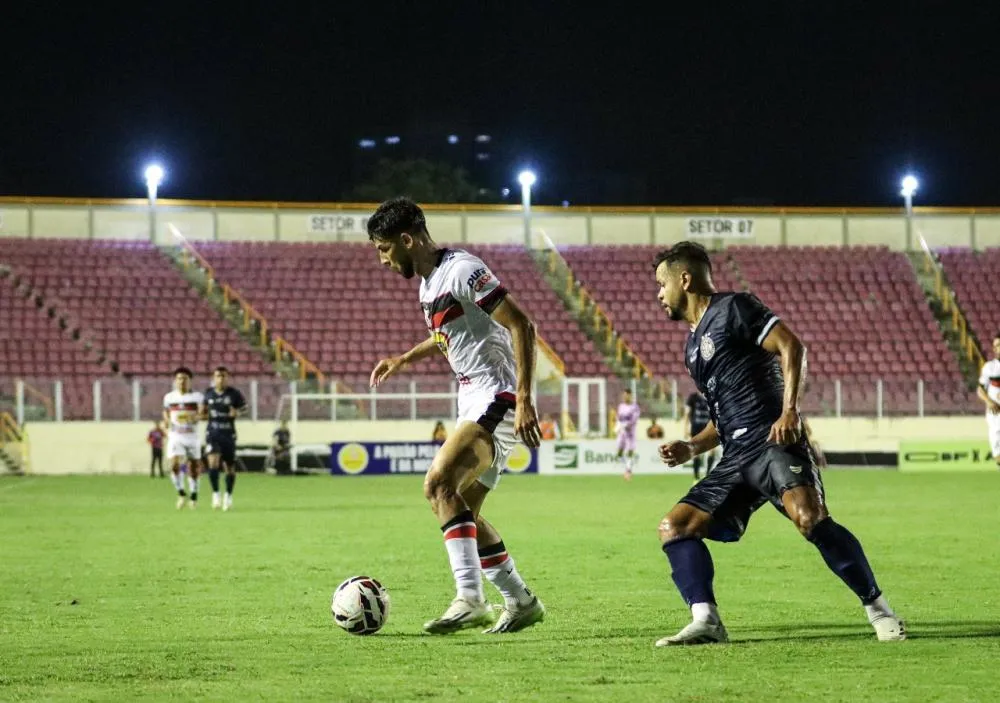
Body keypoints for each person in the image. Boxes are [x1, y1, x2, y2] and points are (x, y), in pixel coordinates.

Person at [651, 241, 904, 646]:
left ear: (685, 279)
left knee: (809, 518)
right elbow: (722, 415)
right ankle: (707, 621)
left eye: (662, 284)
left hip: (772, 440)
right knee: (675, 527)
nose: (659, 294)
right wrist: (692, 447)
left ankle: (880, 610)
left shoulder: (735, 307)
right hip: (737, 456)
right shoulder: (692, 349)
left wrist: (790, 412)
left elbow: (791, 346)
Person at [368, 197, 544, 635]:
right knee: (463, 513)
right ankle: (521, 601)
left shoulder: (463, 270)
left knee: (437, 484)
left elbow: (522, 324)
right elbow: (446, 335)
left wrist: (524, 398)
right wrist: (404, 358)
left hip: (496, 395)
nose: (383, 259)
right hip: (474, 399)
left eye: (385, 249)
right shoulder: (428, 285)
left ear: (407, 239)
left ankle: (470, 599)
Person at [202, 366, 247, 511]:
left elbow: (244, 408)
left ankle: (228, 495)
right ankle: (216, 494)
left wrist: (237, 412)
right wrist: (200, 415)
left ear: (227, 378)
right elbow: (203, 411)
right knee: (213, 462)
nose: (221, 379)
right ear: (214, 378)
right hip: (213, 434)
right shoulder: (208, 393)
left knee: (229, 467)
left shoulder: (234, 394)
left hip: (228, 434)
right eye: (218, 376)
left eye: (223, 376)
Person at [162, 367, 205, 509]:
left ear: (190, 381)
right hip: (176, 435)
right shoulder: (169, 397)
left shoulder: (197, 397)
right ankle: (181, 493)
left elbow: (204, 414)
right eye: (179, 378)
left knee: (193, 468)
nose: (182, 381)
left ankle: (194, 495)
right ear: (175, 381)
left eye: (185, 378)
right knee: (174, 465)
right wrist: (166, 420)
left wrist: (196, 417)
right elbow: (166, 412)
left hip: (192, 436)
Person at [682, 391, 719, 482]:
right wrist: (685, 428)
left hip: (709, 429)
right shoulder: (693, 397)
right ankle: (696, 477)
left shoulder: (711, 396)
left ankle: (707, 475)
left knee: (712, 451)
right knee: (696, 453)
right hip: (696, 428)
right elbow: (687, 413)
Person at [976, 334, 1000, 470]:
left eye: (999, 345)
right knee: (998, 457)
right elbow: (980, 390)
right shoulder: (990, 367)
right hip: (996, 417)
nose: (996, 348)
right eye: (995, 346)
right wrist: (989, 402)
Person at [615, 390, 641, 480]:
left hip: (630, 433)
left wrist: (626, 425)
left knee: (630, 451)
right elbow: (618, 418)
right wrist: (618, 426)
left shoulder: (635, 407)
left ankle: (628, 471)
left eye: (627, 395)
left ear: (630, 396)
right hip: (622, 432)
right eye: (624, 395)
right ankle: (627, 467)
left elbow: (634, 419)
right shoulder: (621, 406)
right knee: (619, 453)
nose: (625, 397)